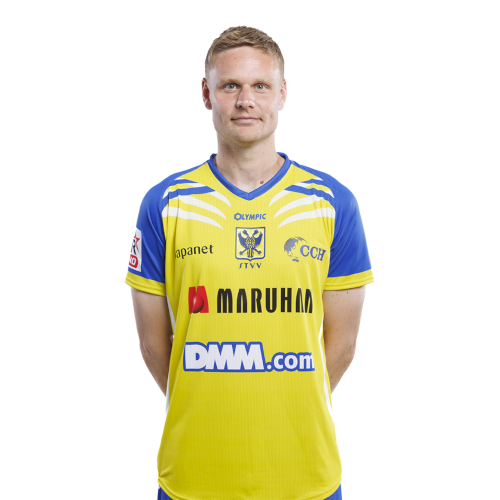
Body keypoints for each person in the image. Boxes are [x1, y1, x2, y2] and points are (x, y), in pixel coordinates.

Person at [125, 24, 375, 500]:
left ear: (282, 94)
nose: (246, 101)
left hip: (305, 477)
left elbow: (341, 346)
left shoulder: (333, 201)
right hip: (193, 477)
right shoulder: (163, 203)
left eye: (260, 85)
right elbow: (155, 348)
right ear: (207, 95)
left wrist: (288, 400)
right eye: (230, 86)